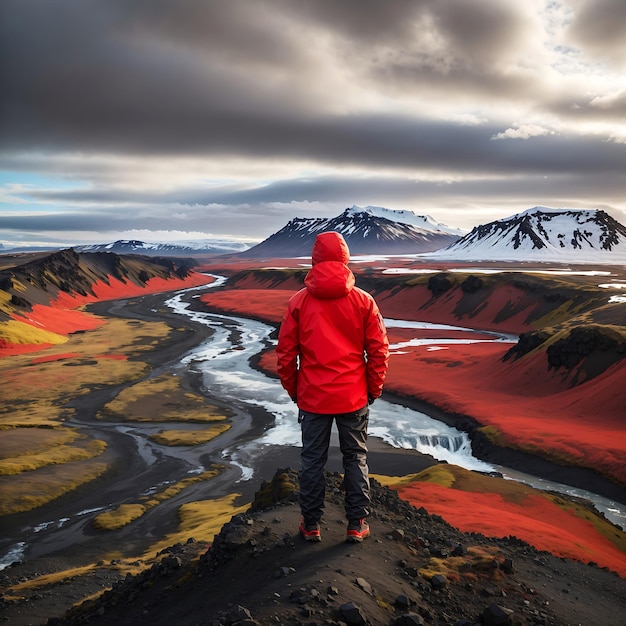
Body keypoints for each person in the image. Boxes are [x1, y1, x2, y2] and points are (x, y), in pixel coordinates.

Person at [276, 231, 389, 543]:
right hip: (353, 397)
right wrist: (373, 389)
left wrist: (295, 391)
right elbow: (378, 350)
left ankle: (311, 525)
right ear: (345, 258)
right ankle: (357, 524)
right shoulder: (364, 301)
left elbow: (286, 354)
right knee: (356, 459)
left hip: (313, 398)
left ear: (314, 259)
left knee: (312, 462)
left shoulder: (298, 302)